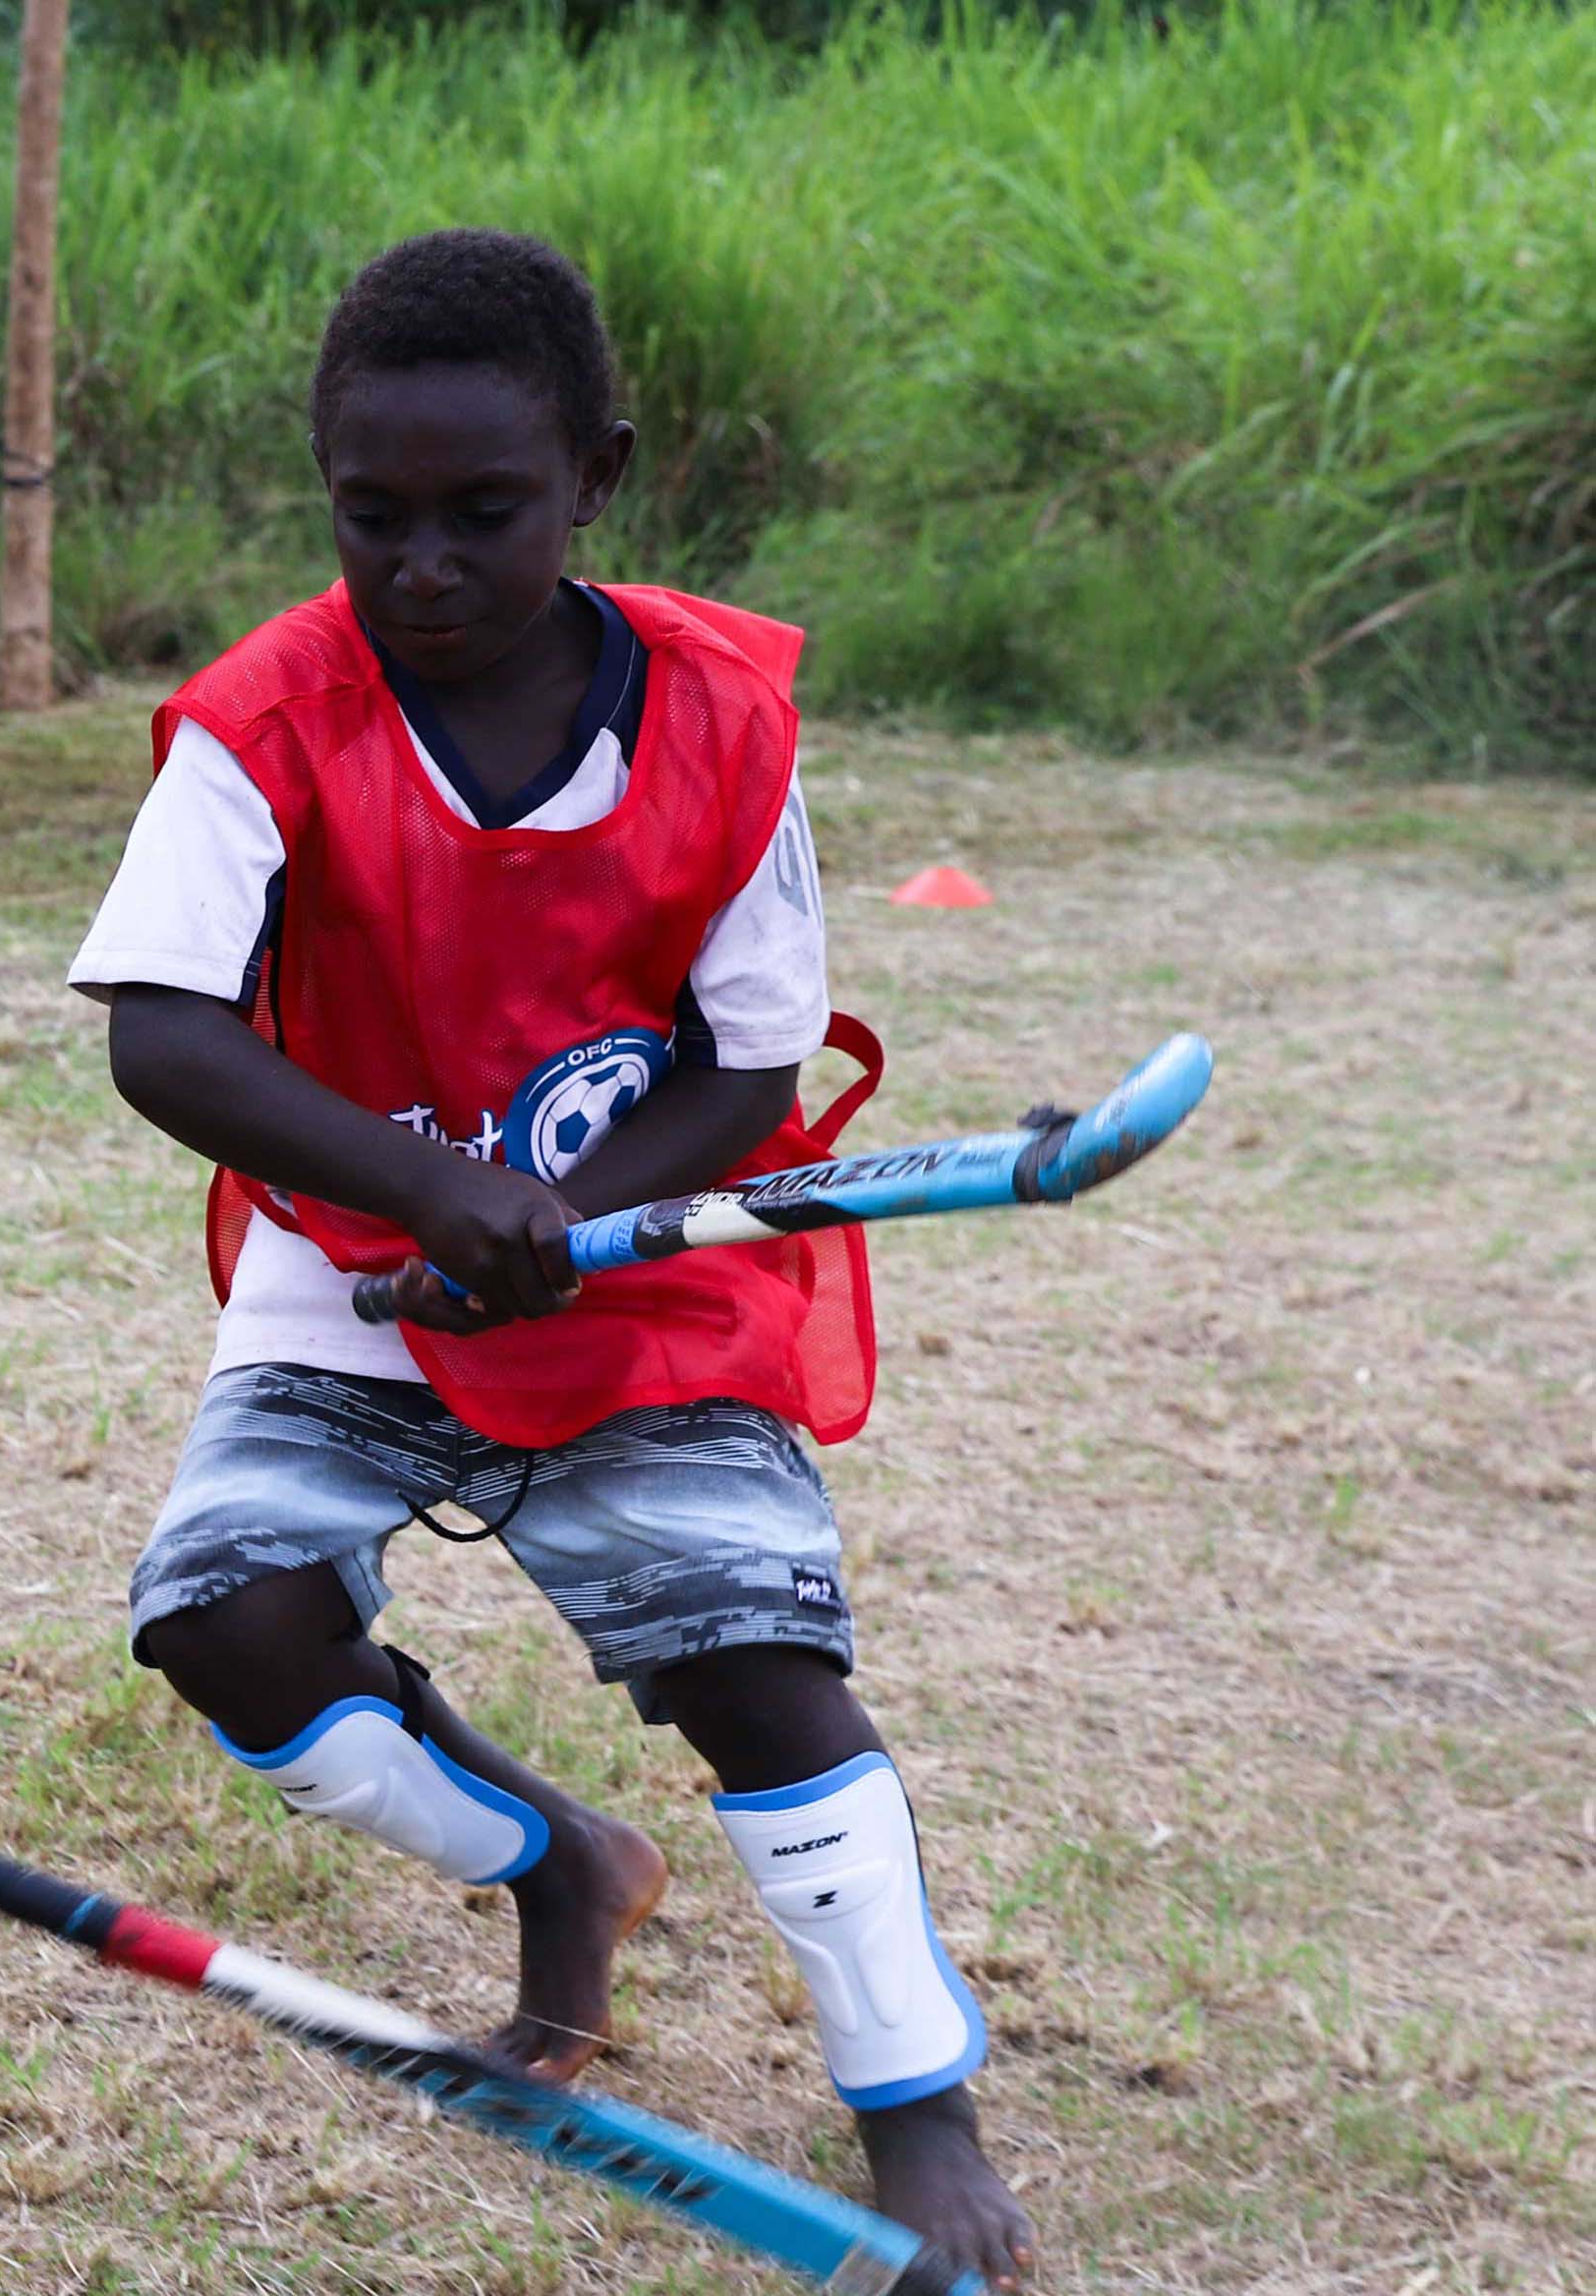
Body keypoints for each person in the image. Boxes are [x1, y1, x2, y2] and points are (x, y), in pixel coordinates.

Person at [68, 229, 1036, 2286]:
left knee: (748, 1665)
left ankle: (914, 2099)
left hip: (641, 1270)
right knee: (223, 1622)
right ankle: (555, 1858)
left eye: (480, 512)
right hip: (357, 1252)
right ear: (322, 482)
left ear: (596, 469)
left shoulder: (718, 717)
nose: (420, 563)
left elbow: (753, 1053)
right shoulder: (259, 723)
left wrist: (570, 1227)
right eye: (372, 516)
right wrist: (429, 1202)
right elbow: (165, 1029)